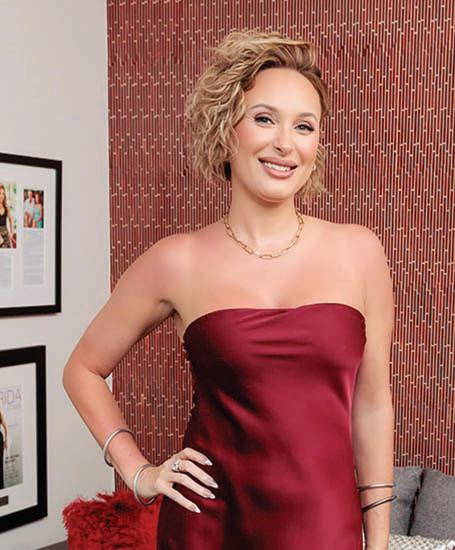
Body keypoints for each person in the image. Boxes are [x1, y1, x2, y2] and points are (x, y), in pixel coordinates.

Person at [63, 30, 395, 549]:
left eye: (304, 126)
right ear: (226, 129)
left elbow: (371, 405)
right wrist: (139, 471)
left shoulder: (360, 253)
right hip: (208, 528)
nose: (285, 143)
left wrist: (379, 540)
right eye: (264, 119)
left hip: (325, 529)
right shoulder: (177, 260)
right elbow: (82, 369)